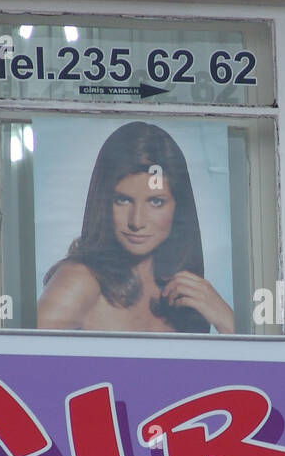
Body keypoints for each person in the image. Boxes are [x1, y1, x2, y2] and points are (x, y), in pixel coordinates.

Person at [36, 120, 235, 334]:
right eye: (122, 200)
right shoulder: (80, 281)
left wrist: (225, 318)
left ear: (179, 207)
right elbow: (18, 360)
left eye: (156, 202)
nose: (136, 222)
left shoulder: (185, 291)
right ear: (103, 203)